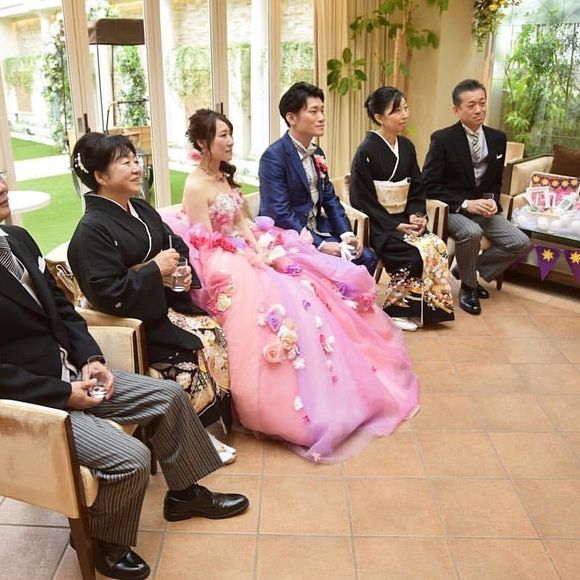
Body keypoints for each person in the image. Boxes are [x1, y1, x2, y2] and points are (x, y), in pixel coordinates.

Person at [0, 171, 249, 580]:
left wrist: (91, 357)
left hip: (74, 372)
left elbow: (63, 311)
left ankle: (184, 495)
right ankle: (103, 541)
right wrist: (63, 393)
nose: (1, 186)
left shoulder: (17, 239)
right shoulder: (91, 230)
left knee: (170, 396)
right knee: (131, 458)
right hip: (34, 403)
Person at [161, 109, 419, 463]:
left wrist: (260, 246)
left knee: (302, 287)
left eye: (231, 134)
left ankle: (326, 384)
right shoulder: (195, 185)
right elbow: (203, 240)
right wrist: (246, 255)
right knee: (267, 305)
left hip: (245, 249)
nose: (231, 141)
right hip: (221, 260)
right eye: (223, 135)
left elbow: (241, 222)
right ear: (203, 142)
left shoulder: (223, 177)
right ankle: (271, 400)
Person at [67, 132, 236, 464]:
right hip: (136, 320)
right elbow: (108, 293)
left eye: (136, 159)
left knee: (213, 331)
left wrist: (181, 273)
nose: (136, 168)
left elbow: (174, 245)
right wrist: (154, 270)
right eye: (125, 162)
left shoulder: (141, 208)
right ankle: (193, 436)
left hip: (163, 304)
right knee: (186, 358)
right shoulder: (91, 231)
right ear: (100, 176)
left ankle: (206, 423)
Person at [422, 79, 531, 315]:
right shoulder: (442, 139)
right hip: (453, 208)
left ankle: (465, 271)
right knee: (471, 232)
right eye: (471, 105)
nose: (479, 109)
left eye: (482, 103)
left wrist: (492, 201)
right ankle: (469, 287)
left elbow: (495, 181)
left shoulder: (497, 138)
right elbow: (429, 185)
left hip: (483, 209)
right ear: (456, 110)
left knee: (520, 242)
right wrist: (465, 204)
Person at [349, 86, 454, 331]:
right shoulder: (365, 151)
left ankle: (424, 309)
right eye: (397, 111)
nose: (404, 115)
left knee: (437, 247)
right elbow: (362, 198)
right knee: (411, 254)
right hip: (380, 224)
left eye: (405, 108)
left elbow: (417, 186)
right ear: (379, 117)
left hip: (405, 217)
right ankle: (396, 309)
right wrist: (394, 224)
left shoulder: (407, 147)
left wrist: (417, 215)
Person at [258, 81, 378, 275]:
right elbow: (279, 213)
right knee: (339, 269)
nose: (321, 118)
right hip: (289, 236)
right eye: (313, 112)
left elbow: (329, 197)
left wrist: (346, 234)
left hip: (318, 228)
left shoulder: (317, 152)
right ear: (291, 118)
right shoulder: (274, 157)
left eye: (322, 111)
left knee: (367, 257)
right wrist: (321, 244)